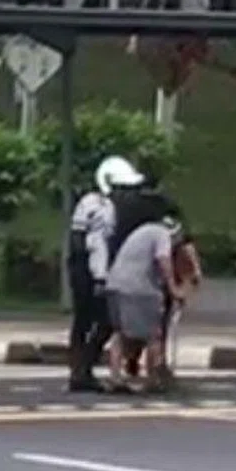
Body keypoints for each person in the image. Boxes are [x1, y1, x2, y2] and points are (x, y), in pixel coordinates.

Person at [67, 156, 145, 392]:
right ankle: (82, 370)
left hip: (84, 267)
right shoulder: (100, 207)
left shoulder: (92, 203)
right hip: (90, 270)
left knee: (87, 321)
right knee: (103, 320)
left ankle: (80, 370)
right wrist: (99, 277)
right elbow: (95, 244)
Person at [112, 175, 201, 378]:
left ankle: (125, 368)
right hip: (149, 278)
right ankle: (156, 372)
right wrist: (184, 280)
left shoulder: (124, 206)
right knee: (155, 329)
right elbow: (180, 246)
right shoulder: (166, 210)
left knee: (123, 329)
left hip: (119, 274)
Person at [105, 216, 188, 393]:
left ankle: (115, 377)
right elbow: (163, 260)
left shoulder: (143, 231)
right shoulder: (162, 235)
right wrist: (173, 288)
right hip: (139, 288)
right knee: (154, 335)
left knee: (120, 334)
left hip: (115, 284)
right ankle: (153, 379)